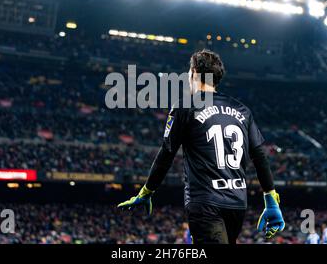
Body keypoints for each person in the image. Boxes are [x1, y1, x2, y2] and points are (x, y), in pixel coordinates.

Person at [118, 50, 284, 244]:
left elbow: (167, 153)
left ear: (194, 72)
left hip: (205, 202)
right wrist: (271, 199)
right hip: (237, 204)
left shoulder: (185, 106)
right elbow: (260, 156)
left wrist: (146, 191)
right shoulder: (242, 110)